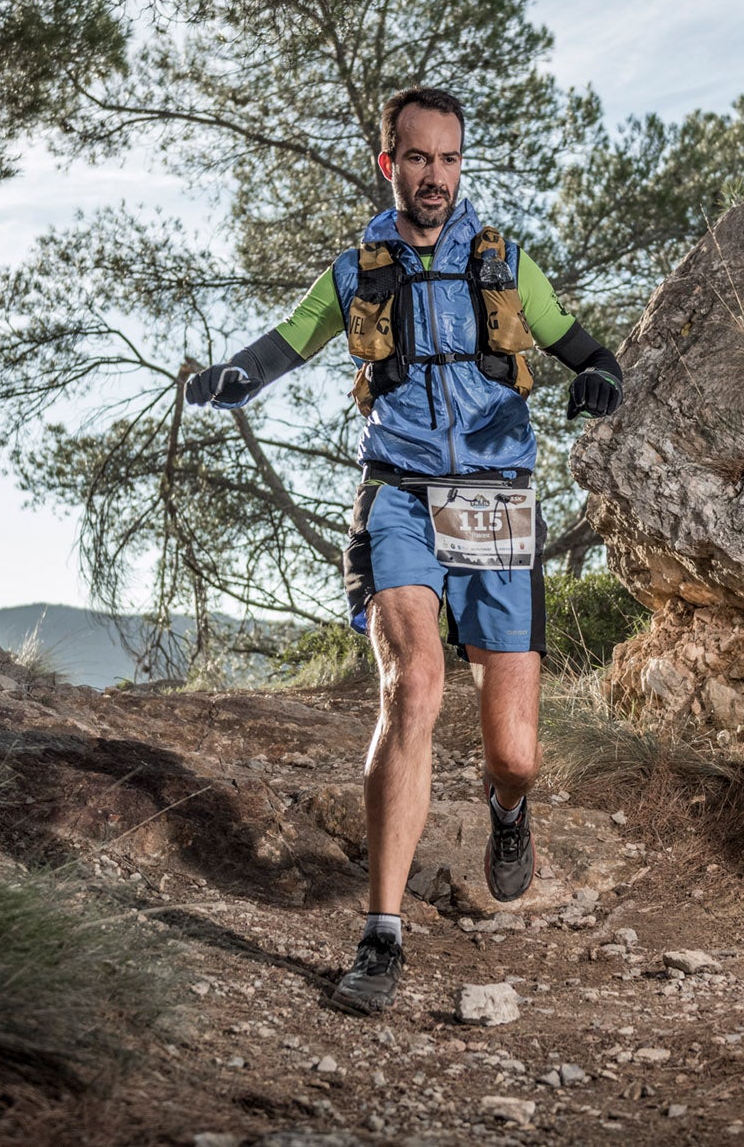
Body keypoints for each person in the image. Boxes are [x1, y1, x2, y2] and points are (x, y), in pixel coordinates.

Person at [185, 87, 623, 1015]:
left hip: (498, 502)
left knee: (516, 750)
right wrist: (233, 377)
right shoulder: (358, 267)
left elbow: (586, 348)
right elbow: (286, 343)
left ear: (463, 164)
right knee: (412, 682)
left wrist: (599, 381)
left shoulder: (504, 263)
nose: (435, 175)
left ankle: (509, 810)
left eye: (450, 158)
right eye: (418, 158)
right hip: (401, 498)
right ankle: (381, 934)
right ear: (389, 162)